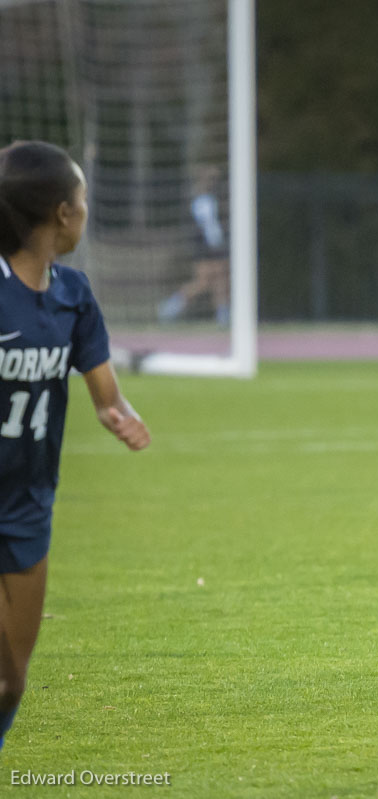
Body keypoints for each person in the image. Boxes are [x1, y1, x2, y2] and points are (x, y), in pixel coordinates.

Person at [0, 141, 151, 750]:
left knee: (11, 683)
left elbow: (105, 392)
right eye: (83, 198)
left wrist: (120, 414)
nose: (86, 210)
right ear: (63, 214)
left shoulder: (74, 295)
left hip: (30, 501)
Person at [157, 164, 230, 326]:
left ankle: (223, 314)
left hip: (211, 245)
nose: (215, 183)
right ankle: (171, 306)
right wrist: (215, 243)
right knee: (204, 281)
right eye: (212, 179)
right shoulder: (201, 201)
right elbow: (208, 227)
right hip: (206, 247)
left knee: (220, 279)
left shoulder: (209, 199)